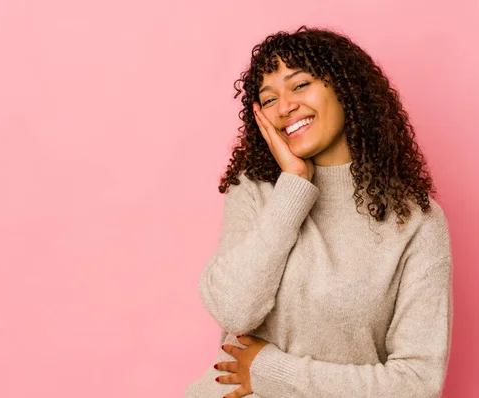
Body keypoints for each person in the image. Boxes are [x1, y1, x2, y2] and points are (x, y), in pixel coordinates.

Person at [185, 25, 453, 398]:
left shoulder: (416, 222)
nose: (285, 107)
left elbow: (417, 384)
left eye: (299, 85)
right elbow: (234, 311)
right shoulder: (256, 190)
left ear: (344, 89)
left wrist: (269, 371)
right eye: (269, 98)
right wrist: (294, 186)